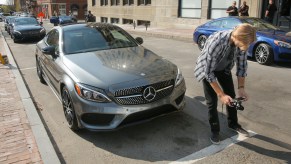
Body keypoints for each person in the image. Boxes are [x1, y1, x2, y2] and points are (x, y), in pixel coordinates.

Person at [194, 24, 257, 145]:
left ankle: (233, 123)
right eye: (245, 44)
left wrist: (241, 88)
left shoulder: (242, 42)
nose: (246, 47)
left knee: (232, 96)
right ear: (238, 37)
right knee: (212, 101)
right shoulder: (216, 41)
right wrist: (221, 94)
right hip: (207, 69)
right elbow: (208, 72)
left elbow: (242, 67)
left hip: (224, 69)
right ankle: (215, 130)